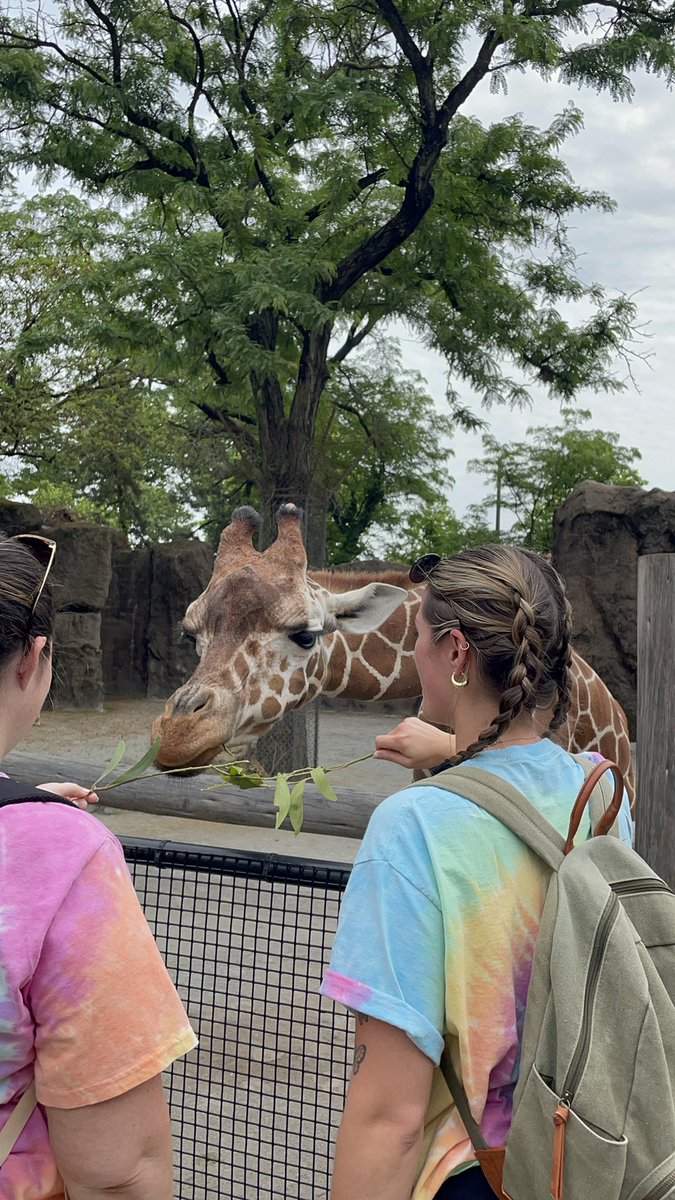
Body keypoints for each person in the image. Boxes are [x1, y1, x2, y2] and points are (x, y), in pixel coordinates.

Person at [321, 544, 633, 1200]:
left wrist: (447, 758)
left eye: (418, 637)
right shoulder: (601, 792)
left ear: (456, 653)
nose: (413, 654)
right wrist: (452, 750)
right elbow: (521, 772)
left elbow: (391, 1118)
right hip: (583, 1156)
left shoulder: (412, 826)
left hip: (474, 1174)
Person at [0, 534, 197, 1200]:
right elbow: (118, 1172)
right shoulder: (64, 854)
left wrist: (21, 800)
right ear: (33, 658)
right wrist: (39, 831)